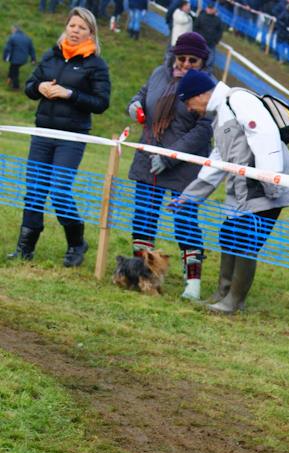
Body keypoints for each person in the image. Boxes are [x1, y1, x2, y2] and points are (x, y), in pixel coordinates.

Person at [175, 70, 289, 312]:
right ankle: (222, 292)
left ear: (201, 94)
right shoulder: (221, 116)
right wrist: (190, 197)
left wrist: (271, 182)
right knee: (228, 234)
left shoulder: (238, 100)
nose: (189, 108)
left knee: (245, 239)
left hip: (264, 189)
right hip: (243, 193)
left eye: (188, 101)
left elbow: (265, 137)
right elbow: (218, 160)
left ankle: (235, 301)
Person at [8, 8, 110, 267]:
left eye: (81, 28)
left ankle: (77, 243)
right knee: (34, 191)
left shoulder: (96, 64)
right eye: (72, 25)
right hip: (42, 132)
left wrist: (70, 94)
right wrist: (39, 87)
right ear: (66, 27)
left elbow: (101, 102)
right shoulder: (51, 56)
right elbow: (30, 87)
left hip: (71, 137)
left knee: (59, 191)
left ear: (91, 33)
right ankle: (24, 248)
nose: (75, 30)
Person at [126, 32, 214, 300]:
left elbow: (203, 129)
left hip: (185, 167)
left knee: (185, 222)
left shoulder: (209, 86)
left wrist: (168, 156)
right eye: (182, 57)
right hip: (147, 160)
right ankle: (141, 274)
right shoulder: (158, 74)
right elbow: (141, 95)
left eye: (193, 60)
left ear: (203, 62)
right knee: (143, 217)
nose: (186, 64)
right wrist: (135, 106)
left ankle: (193, 283)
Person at [4, 26, 35, 91]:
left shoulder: (13, 37)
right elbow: (31, 49)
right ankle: (9, 79)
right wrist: (33, 59)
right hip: (24, 59)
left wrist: (6, 58)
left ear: (14, 30)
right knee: (12, 67)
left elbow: (7, 49)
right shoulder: (27, 38)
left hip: (15, 59)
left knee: (15, 71)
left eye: (12, 30)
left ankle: (16, 87)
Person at [193, 2, 224, 67]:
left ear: (214, 10)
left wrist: (216, 40)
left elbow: (220, 31)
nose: (210, 10)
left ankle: (205, 73)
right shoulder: (201, 17)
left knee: (210, 61)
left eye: (211, 8)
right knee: (197, 58)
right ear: (206, 8)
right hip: (200, 42)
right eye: (209, 8)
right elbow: (195, 27)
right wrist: (197, 37)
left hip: (211, 44)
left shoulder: (218, 20)